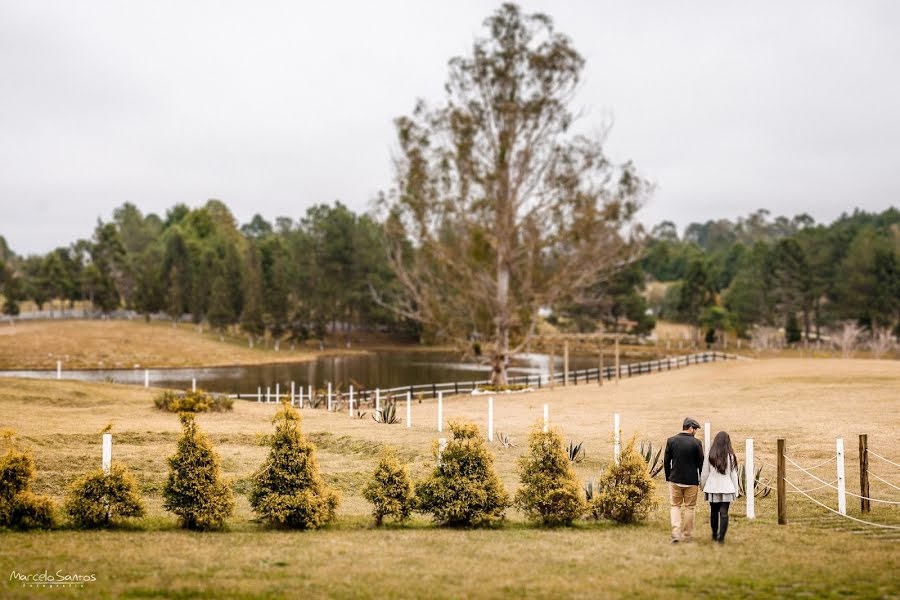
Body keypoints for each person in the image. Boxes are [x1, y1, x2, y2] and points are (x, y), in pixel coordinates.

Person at [664, 417, 704, 543]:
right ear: (690, 428)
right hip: (691, 481)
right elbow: (701, 464)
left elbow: (666, 461)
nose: (695, 432)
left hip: (675, 479)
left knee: (675, 506)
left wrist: (668, 477)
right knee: (690, 508)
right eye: (695, 429)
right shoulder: (697, 443)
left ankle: (675, 533)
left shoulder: (671, 441)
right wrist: (702, 480)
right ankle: (686, 535)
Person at [701, 431, 740, 544]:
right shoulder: (731, 456)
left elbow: (705, 473)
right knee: (724, 513)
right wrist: (736, 490)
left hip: (712, 487)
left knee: (713, 511)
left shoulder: (710, 455)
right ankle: (721, 539)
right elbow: (734, 475)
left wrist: (703, 486)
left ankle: (714, 535)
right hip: (727, 488)